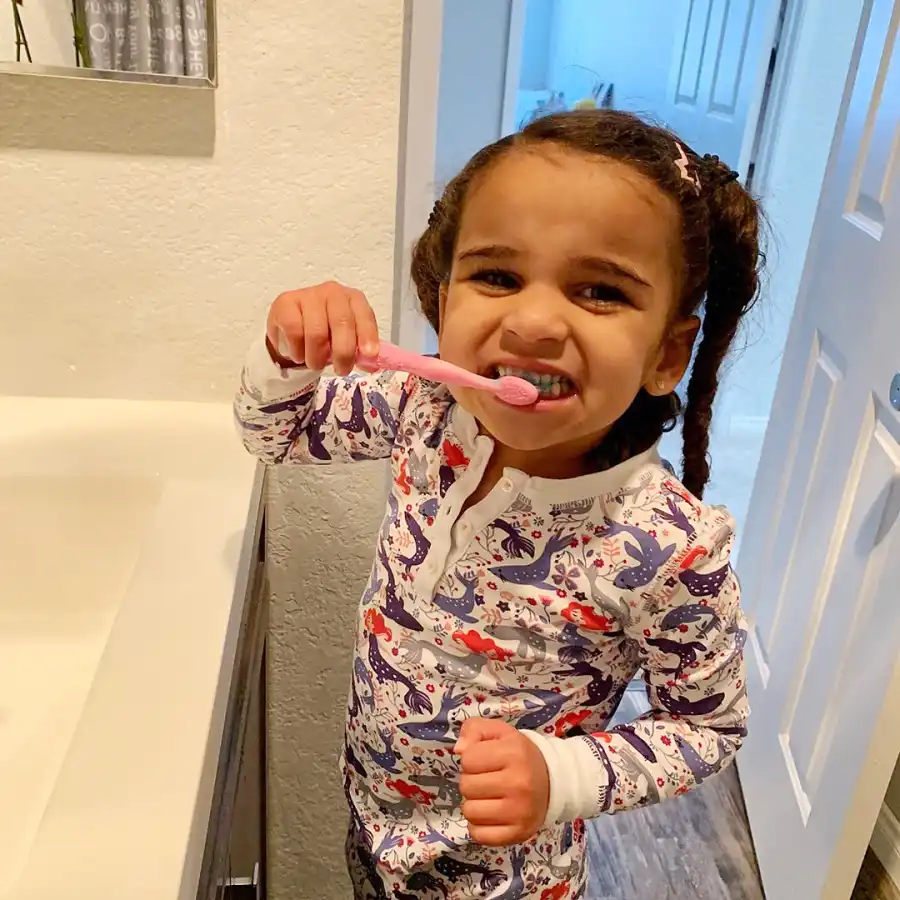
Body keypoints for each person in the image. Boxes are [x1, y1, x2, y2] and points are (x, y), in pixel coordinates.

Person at [234, 109, 759, 900]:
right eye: (497, 276)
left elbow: (710, 727)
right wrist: (289, 351)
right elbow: (275, 432)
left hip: (509, 884)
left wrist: (561, 775)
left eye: (600, 290)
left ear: (667, 354)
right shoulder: (423, 408)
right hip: (374, 831)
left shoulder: (669, 544)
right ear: (443, 303)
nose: (535, 320)